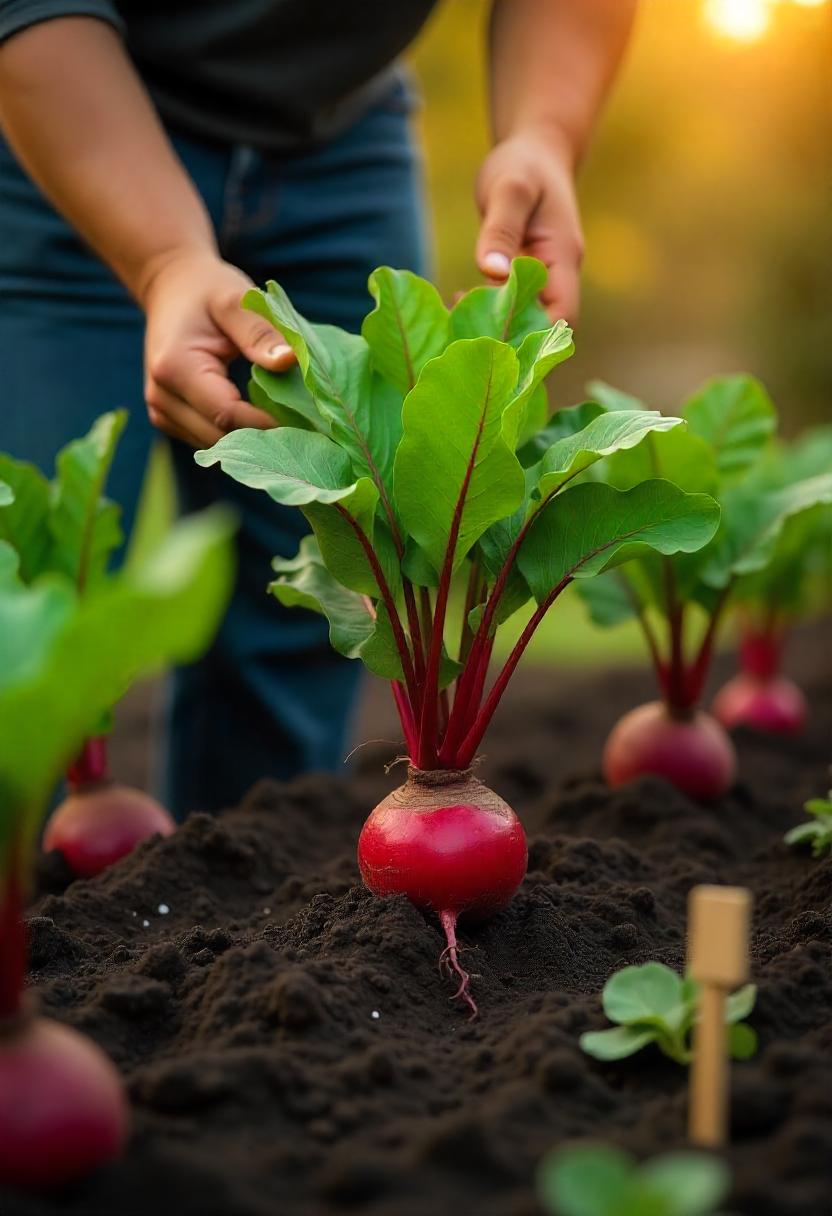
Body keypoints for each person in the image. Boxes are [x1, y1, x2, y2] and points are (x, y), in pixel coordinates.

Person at [0, 0, 636, 817]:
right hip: (60, 123)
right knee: (28, 605)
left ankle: (244, 926)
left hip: (342, 137)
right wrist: (165, 260)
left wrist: (542, 132)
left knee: (321, 597)